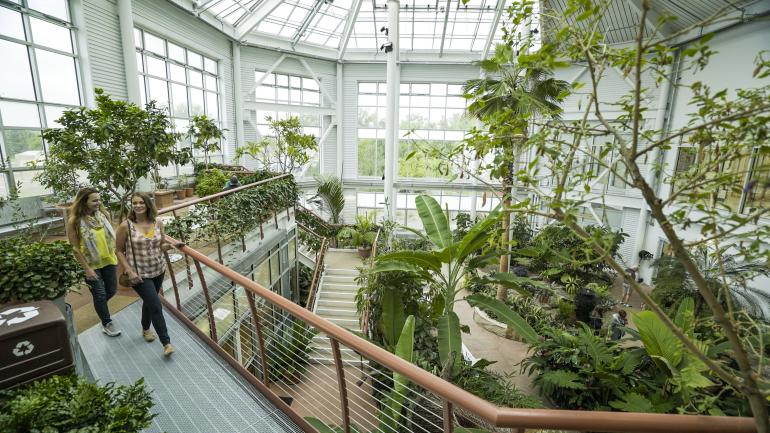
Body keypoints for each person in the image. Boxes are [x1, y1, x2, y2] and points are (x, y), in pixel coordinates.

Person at [116, 192, 177, 356]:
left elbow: (161, 244)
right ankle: (166, 343)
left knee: (150, 301)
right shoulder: (125, 226)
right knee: (156, 305)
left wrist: (170, 246)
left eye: (141, 202)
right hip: (139, 274)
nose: (137, 206)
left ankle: (145, 328)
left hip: (158, 269)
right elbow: (119, 250)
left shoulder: (157, 222)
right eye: (134, 203)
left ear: (148, 204)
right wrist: (129, 271)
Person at [67, 188, 122, 337]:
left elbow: (110, 238)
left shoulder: (104, 215)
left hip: (109, 260)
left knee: (111, 291)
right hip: (90, 264)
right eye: (95, 200)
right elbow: (75, 248)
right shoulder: (75, 221)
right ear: (84, 201)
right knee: (99, 295)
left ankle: (100, 307)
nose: (99, 203)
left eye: (99, 199)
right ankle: (106, 322)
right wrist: (86, 269)